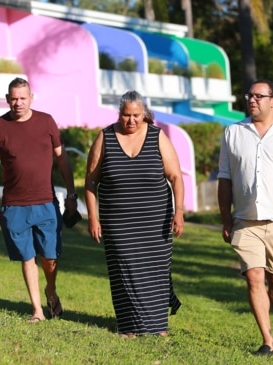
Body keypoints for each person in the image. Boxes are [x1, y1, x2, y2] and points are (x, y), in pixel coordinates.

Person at [217, 79, 273, 356]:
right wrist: (225, 218)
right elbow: (225, 179)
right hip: (245, 219)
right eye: (250, 95)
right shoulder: (233, 132)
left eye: (259, 96)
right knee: (254, 277)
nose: (252, 100)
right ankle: (267, 340)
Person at [85, 90, 184, 337]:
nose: (131, 121)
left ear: (144, 114)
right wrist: (93, 217)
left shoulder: (157, 136)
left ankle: (157, 327)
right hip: (118, 222)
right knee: (124, 270)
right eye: (126, 115)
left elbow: (175, 177)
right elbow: (90, 181)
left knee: (156, 270)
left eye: (136, 115)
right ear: (119, 113)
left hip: (155, 221)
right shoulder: (105, 137)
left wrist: (179, 211)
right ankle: (128, 326)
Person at [0, 77, 78, 322]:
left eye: (23, 98)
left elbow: (62, 158)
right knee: (27, 257)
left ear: (31, 98)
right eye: (13, 98)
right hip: (14, 206)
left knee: (50, 258)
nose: (18, 103)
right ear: (7, 99)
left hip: (46, 202)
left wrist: (71, 193)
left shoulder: (46, 122)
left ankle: (51, 289)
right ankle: (37, 310)